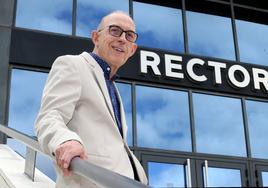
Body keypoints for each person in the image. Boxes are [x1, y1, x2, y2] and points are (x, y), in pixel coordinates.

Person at [35, 11, 148, 188]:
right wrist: (65, 140)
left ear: (132, 49)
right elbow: (49, 116)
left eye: (129, 35)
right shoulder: (72, 64)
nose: (122, 39)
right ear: (96, 37)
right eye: (115, 31)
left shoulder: (112, 86)